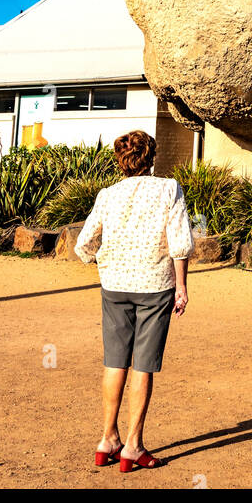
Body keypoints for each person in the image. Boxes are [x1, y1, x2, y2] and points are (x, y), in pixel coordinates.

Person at [75, 130, 193, 473]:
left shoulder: (107, 195)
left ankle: (107, 439)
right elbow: (180, 243)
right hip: (155, 287)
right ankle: (132, 445)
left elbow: (83, 245)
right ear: (151, 157)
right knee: (143, 365)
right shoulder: (169, 189)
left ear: (120, 160)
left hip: (115, 286)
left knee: (115, 362)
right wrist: (181, 286)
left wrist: (105, 261)